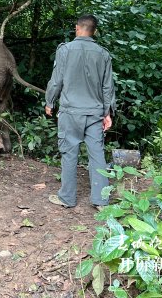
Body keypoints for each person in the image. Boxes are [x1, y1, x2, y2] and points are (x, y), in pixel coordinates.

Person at [45, 14, 116, 210]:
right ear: (94, 31)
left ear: (77, 28)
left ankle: (67, 198)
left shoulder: (65, 50)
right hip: (94, 113)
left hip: (70, 113)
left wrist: (49, 102)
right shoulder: (103, 54)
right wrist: (107, 113)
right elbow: (108, 87)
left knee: (69, 153)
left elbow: (56, 81)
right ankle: (101, 201)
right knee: (97, 155)